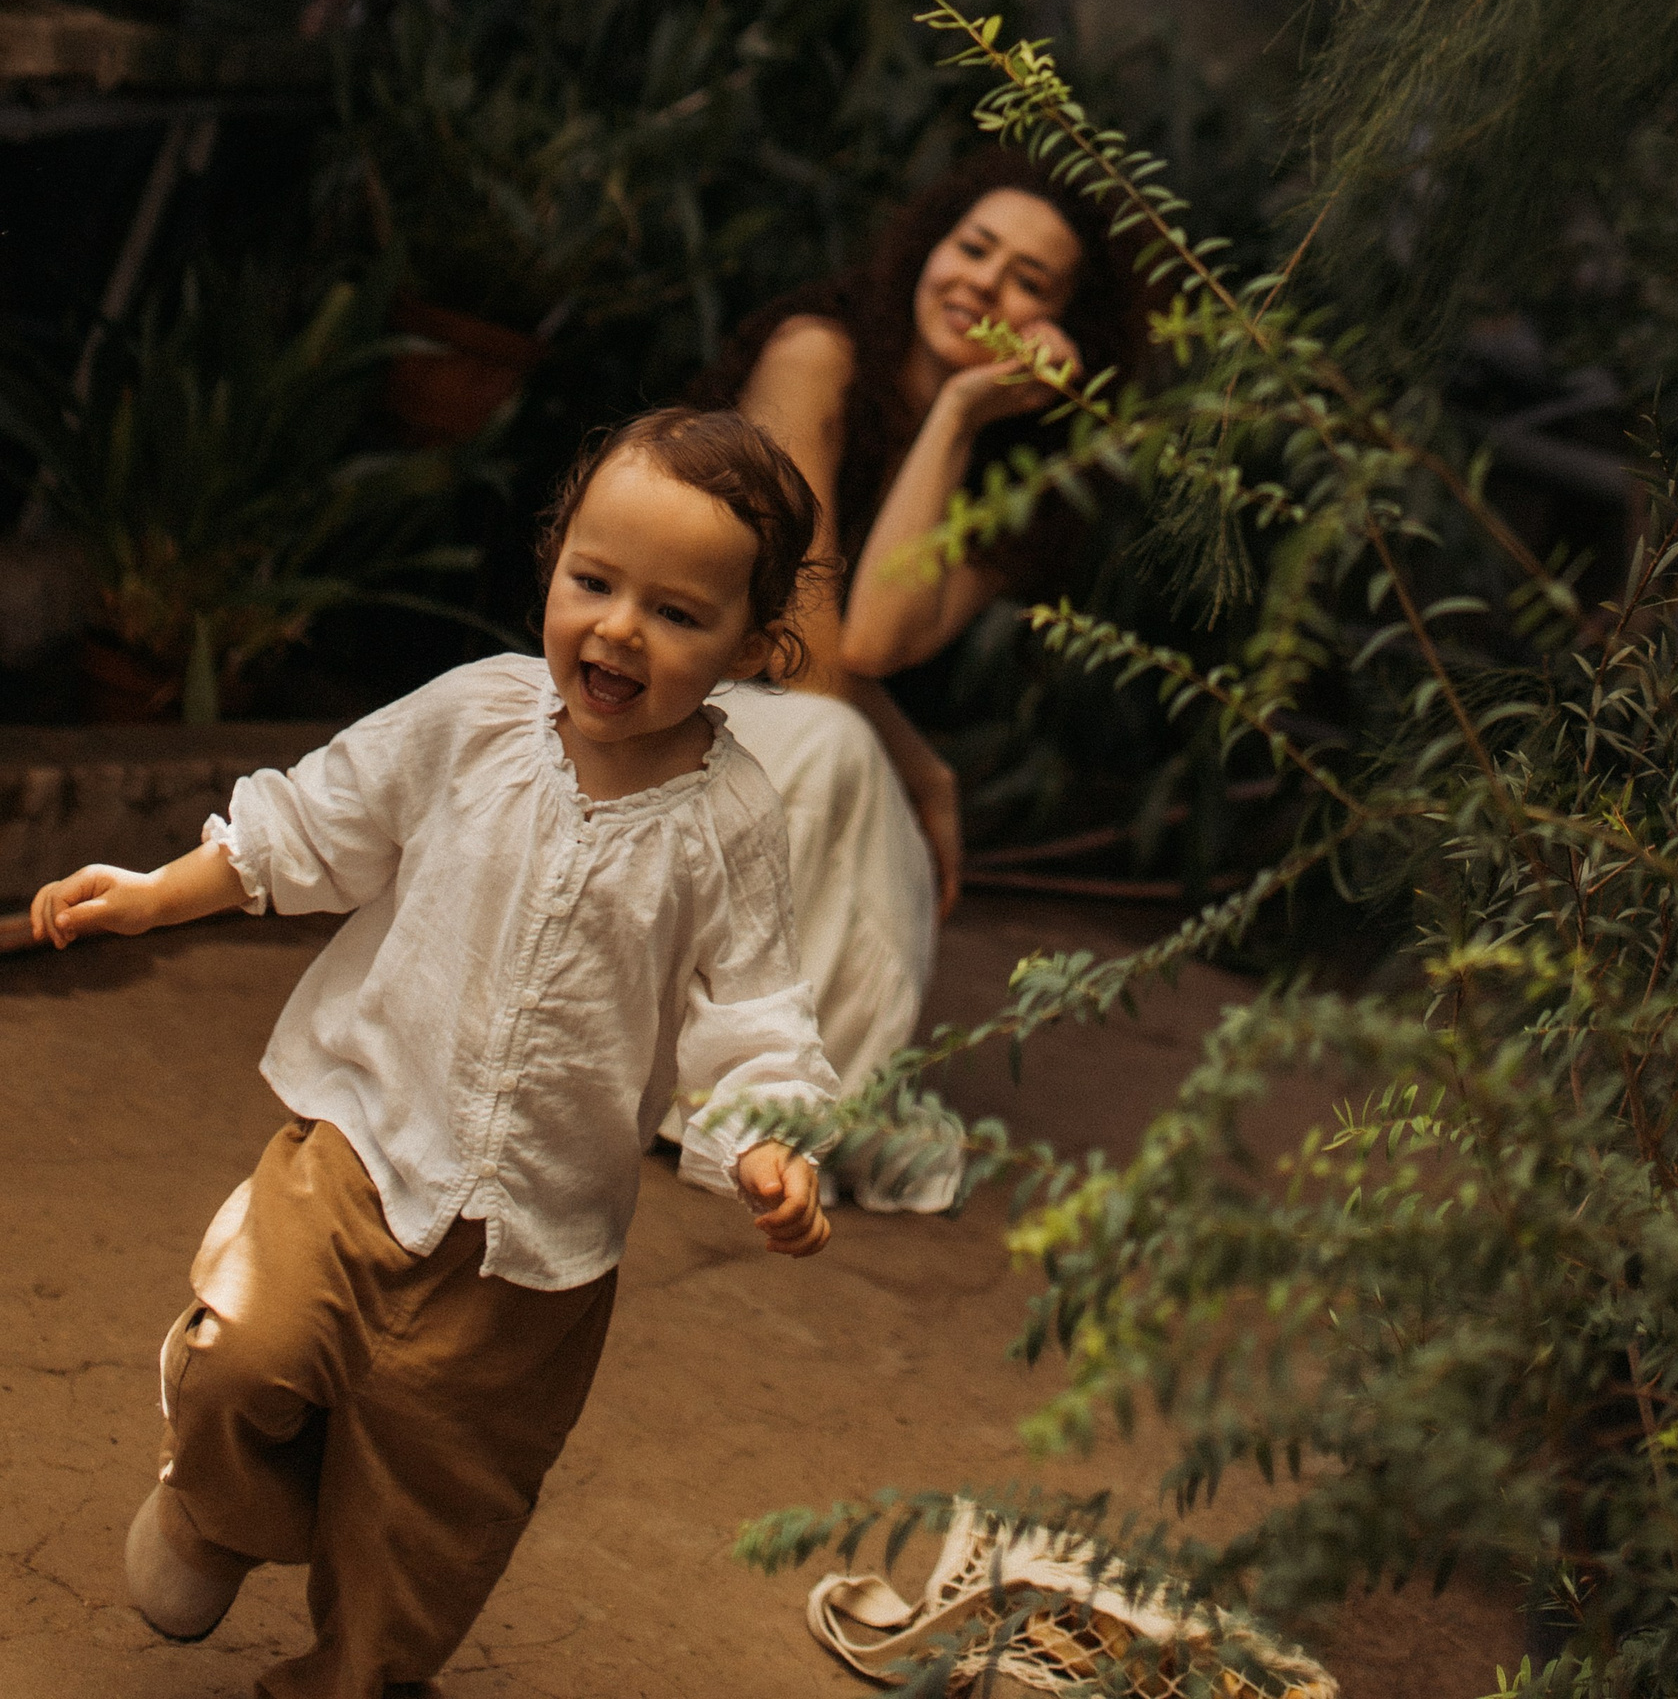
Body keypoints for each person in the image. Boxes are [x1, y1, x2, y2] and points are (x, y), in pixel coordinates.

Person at [28, 406, 839, 1699]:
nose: (620, 630)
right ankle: (219, 1511)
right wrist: (155, 893)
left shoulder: (729, 821)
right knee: (246, 1352)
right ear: (552, 565)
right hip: (363, 1144)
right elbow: (313, 825)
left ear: (751, 646)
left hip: (535, 1242)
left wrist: (771, 1141)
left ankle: (354, 1678)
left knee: (436, 1507)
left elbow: (756, 1010)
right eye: (594, 582)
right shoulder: (473, 718)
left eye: (679, 613)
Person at [690, 146, 1148, 1210]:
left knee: (881, 827)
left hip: (809, 733)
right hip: (674, 694)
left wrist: (958, 417)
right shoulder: (815, 357)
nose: (984, 285)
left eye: (1029, 282)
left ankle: (769, 1112)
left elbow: (875, 643)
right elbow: (806, 660)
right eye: (973, 248)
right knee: (849, 755)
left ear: (1065, 330)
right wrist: (922, 765)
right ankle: (726, 1099)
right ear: (927, 247)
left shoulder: (1019, 483)